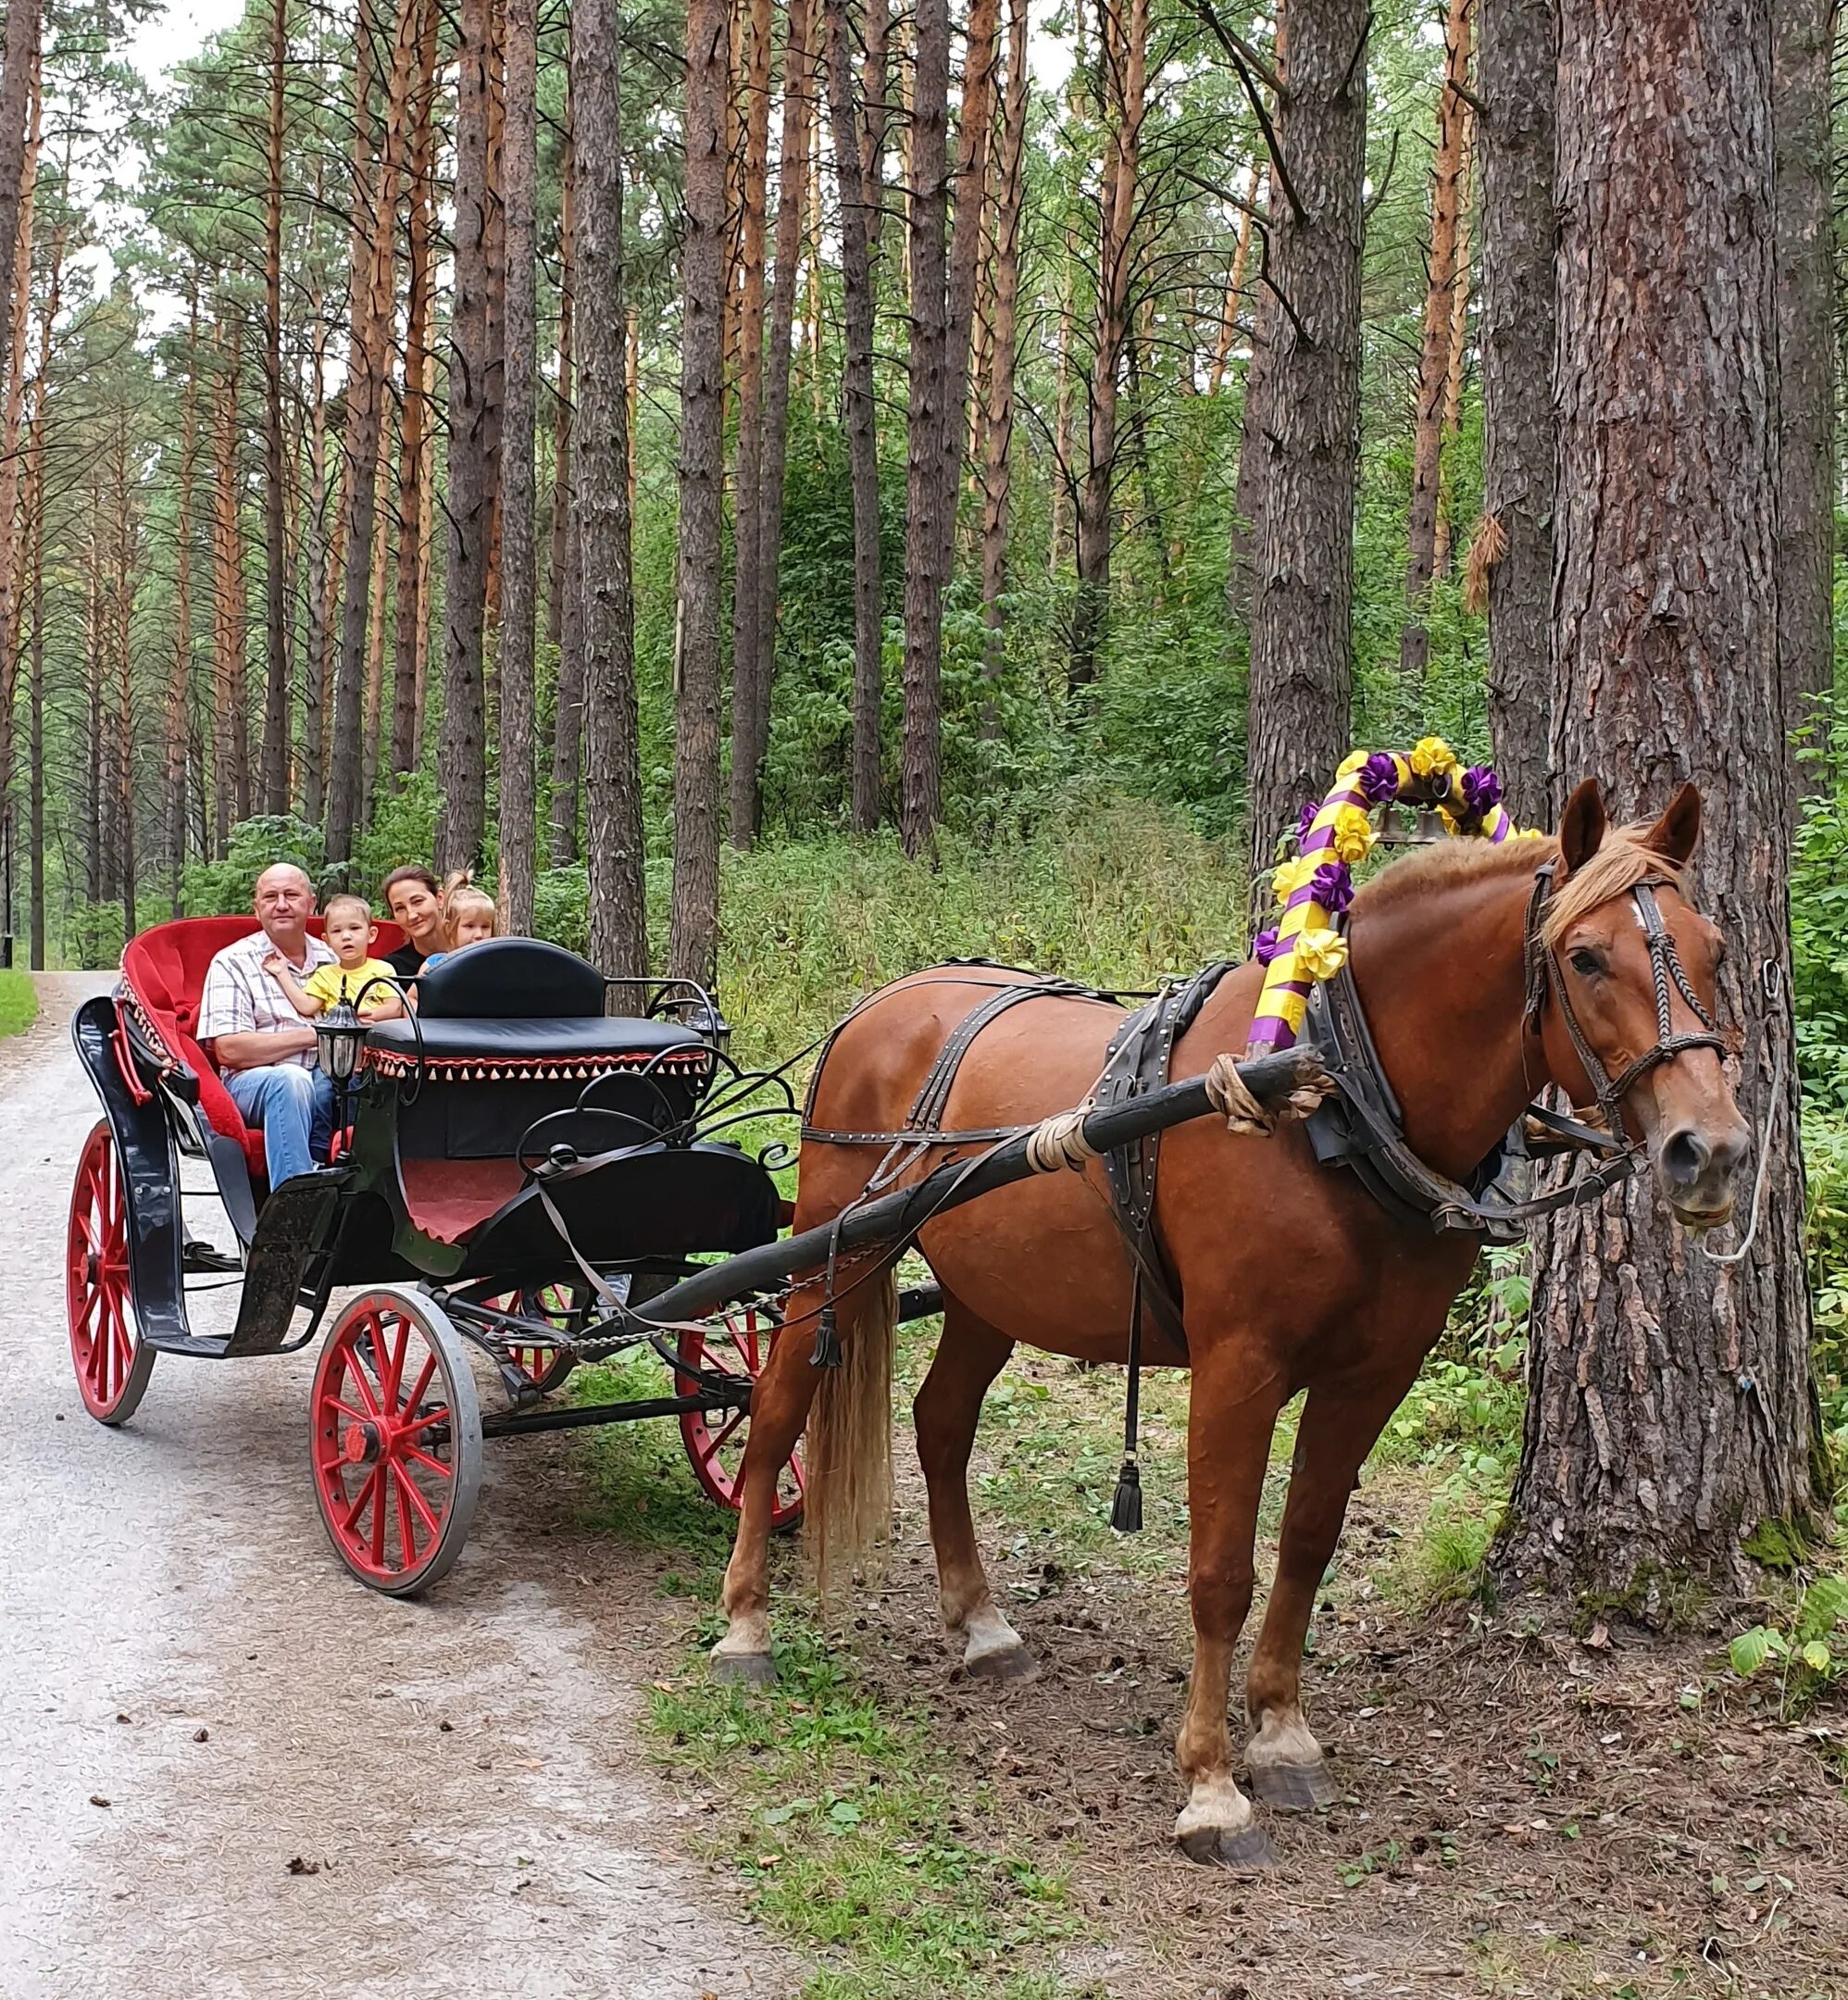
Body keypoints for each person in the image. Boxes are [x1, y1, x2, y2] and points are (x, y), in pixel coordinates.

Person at [197, 863, 337, 1188]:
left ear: (311, 904)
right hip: (254, 1085)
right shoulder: (233, 961)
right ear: (257, 908)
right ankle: (293, 1214)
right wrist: (313, 1036)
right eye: (270, 897)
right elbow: (229, 1050)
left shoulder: (333, 959)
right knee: (291, 1081)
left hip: (328, 1082)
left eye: (291, 895)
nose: (282, 904)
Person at [266, 893, 405, 1021]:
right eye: (337, 931)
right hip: (339, 1042)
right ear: (327, 941)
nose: (346, 937)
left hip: (377, 1037)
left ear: (371, 934)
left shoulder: (382, 969)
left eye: (355, 928)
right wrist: (282, 973)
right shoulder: (325, 974)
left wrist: (355, 1020)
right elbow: (307, 1006)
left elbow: (395, 1008)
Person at [420, 873, 499, 970]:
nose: (479, 934)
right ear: (449, 928)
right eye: (470, 926)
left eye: (485, 927)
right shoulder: (435, 966)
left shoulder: (496, 966)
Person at [381, 864, 445, 976]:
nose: (411, 915)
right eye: (400, 908)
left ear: (439, 898)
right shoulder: (391, 970)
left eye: (417, 901)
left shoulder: (471, 951)